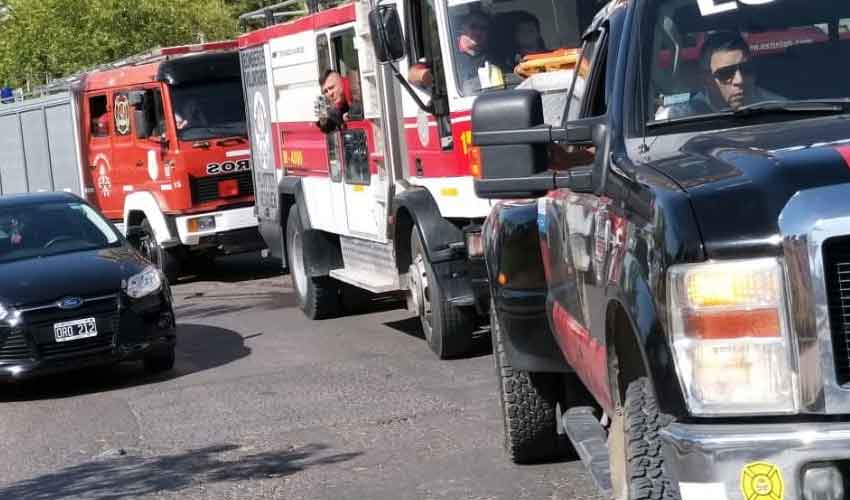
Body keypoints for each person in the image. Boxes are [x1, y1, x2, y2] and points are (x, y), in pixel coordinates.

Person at [664, 30, 782, 119]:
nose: (739, 80)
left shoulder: (779, 109)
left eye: (746, 69)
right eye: (726, 73)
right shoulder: (678, 119)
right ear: (706, 79)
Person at [408, 10, 504, 95]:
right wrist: (423, 75)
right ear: (462, 29)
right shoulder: (446, 54)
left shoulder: (494, 58)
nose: (478, 31)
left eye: (483, 28)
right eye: (474, 26)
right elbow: (413, 74)